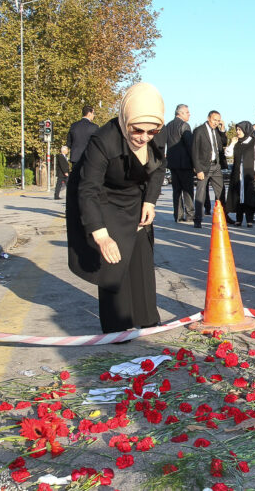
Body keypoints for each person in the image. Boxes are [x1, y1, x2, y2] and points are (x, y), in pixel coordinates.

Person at [66, 82, 166, 334]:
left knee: (141, 254)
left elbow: (158, 168)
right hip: (103, 197)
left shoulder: (155, 132)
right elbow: (88, 189)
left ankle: (146, 319)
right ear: (125, 119)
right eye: (137, 130)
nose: (144, 137)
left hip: (134, 195)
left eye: (151, 132)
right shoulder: (102, 140)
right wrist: (100, 235)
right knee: (113, 260)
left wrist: (150, 201)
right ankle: (117, 328)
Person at [192, 110, 227, 228]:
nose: (216, 123)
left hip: (216, 166)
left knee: (221, 191)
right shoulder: (199, 131)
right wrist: (198, 169)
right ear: (208, 118)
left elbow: (224, 143)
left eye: (218, 120)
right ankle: (198, 219)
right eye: (214, 120)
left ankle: (223, 216)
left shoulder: (217, 130)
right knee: (201, 194)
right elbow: (194, 151)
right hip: (203, 167)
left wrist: (222, 130)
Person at [225, 121, 255, 227]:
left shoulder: (253, 143)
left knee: (248, 197)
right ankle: (238, 219)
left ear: (246, 130)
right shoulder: (237, 143)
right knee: (238, 197)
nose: (238, 132)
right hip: (237, 174)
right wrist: (232, 143)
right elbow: (228, 153)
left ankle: (249, 219)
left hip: (249, 173)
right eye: (237, 129)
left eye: (240, 130)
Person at [163, 104, 194, 222]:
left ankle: (178, 215)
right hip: (185, 164)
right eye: (187, 112)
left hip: (172, 163)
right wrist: (195, 162)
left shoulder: (168, 126)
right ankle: (190, 215)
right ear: (180, 113)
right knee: (187, 190)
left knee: (176, 191)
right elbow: (189, 145)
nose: (189, 114)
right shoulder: (184, 125)